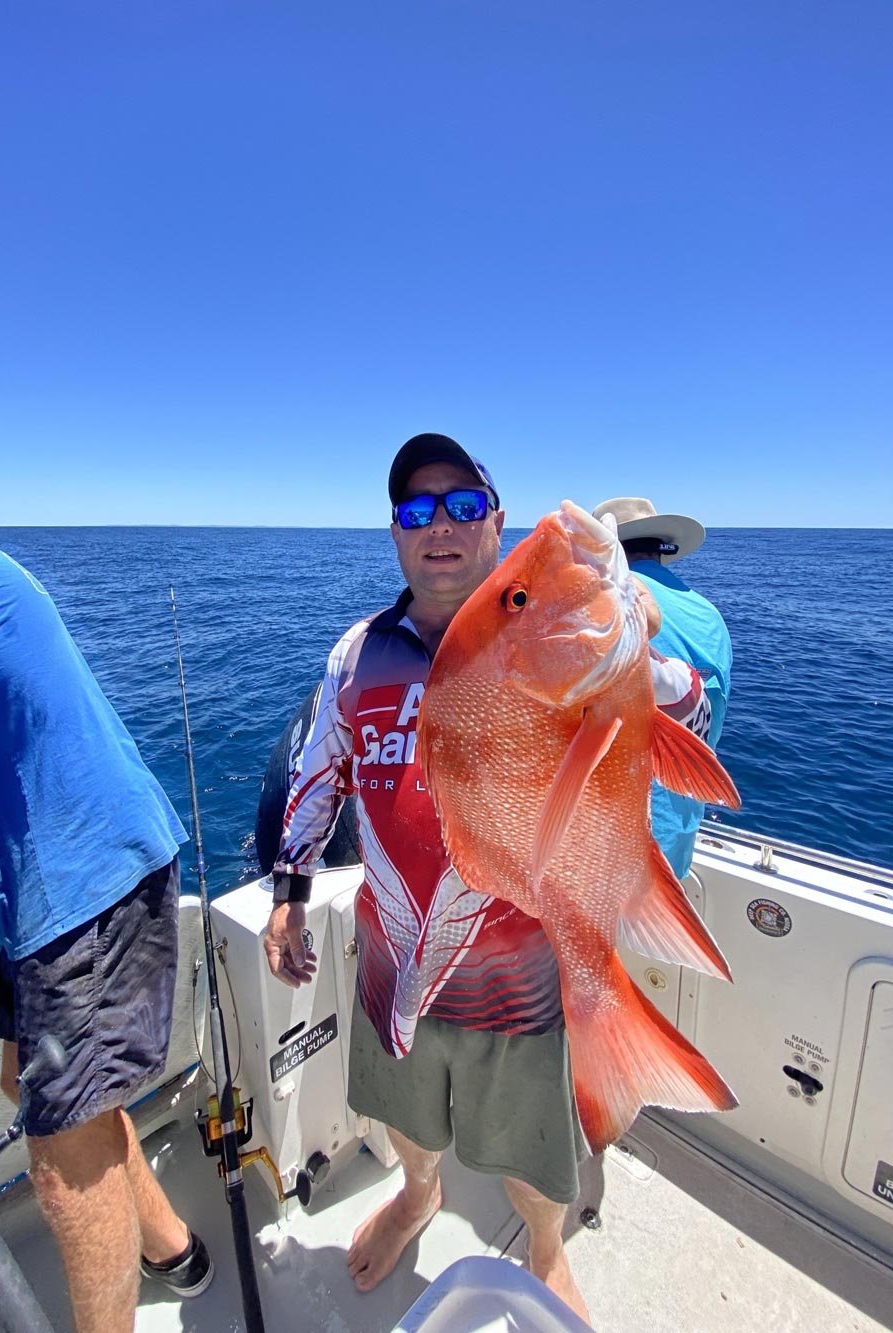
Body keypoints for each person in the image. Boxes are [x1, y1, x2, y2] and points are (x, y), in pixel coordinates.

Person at [262, 434, 593, 1322]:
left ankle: (550, 1247)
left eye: (459, 504)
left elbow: (658, 704)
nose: (436, 525)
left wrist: (669, 688)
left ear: (495, 521)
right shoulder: (356, 655)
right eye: (414, 509)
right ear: (396, 534)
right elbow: (318, 776)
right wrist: (291, 898)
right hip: (391, 953)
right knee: (402, 1112)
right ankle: (420, 1191)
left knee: (532, 1149)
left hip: (518, 961)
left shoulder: (548, 639)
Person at [0, 479, 212, 1332]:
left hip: (85, 883)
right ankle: (175, 1248)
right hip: (54, 892)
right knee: (48, 1092)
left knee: (64, 1161)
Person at [593, 496, 732, 878]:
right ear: (661, 548)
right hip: (677, 842)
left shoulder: (608, 606)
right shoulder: (709, 614)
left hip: (607, 849)